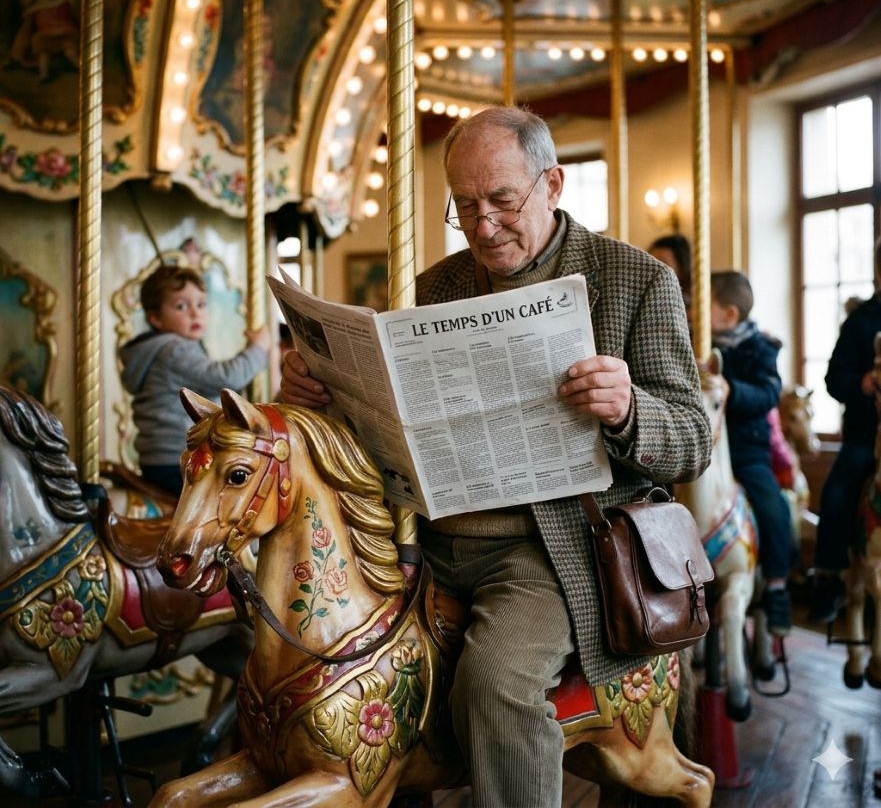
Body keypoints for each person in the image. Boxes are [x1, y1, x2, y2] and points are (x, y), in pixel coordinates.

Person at [279, 106, 711, 808]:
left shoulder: (635, 280)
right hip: (429, 538)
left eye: (502, 201)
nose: (483, 226)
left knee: (494, 682)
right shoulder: (438, 286)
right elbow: (393, 426)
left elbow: (692, 438)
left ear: (552, 183)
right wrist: (318, 390)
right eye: (465, 207)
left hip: (548, 548)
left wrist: (629, 407)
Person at [120, 264, 271, 495]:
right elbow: (227, 378)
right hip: (179, 459)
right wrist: (258, 349)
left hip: (158, 460)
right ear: (155, 319)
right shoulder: (174, 350)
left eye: (201, 304)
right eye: (181, 306)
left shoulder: (161, 349)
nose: (195, 312)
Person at [710, 270, 793, 635]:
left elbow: (769, 393)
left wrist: (732, 391)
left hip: (746, 448)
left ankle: (777, 585)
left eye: (705, 305)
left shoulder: (761, 349)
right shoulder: (698, 346)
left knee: (772, 504)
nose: (695, 310)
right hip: (707, 449)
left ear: (729, 314)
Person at [809, 236, 881, 623]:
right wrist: (864, 383)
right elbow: (834, 379)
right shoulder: (860, 323)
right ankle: (829, 575)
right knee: (838, 492)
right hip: (866, 435)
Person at [6, 0, 80, 82]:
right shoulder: (36, 2)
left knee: (70, 52)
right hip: (45, 35)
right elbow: (27, 17)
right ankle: (44, 75)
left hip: (62, 33)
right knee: (43, 52)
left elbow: (67, 19)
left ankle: (83, 69)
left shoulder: (62, 3)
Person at [648, 233, 692, 317]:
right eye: (651, 263)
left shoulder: (688, 303)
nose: (655, 270)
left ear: (681, 267)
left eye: (663, 264)